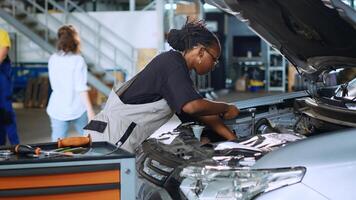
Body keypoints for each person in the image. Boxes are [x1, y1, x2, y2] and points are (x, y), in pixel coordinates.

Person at [84, 20, 239, 153]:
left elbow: (201, 113)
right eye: (214, 59)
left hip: (112, 136)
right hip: (111, 139)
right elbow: (193, 107)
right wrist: (226, 108)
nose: (214, 65)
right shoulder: (172, 64)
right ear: (200, 52)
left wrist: (233, 139)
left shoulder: (176, 68)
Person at [47, 25, 95, 142]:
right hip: (77, 108)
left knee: (57, 145)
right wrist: (90, 111)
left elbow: (54, 84)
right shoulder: (78, 60)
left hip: (57, 108)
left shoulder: (53, 59)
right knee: (89, 140)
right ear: (75, 41)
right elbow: (80, 88)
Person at [0, 28, 20, 145]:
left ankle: (15, 146)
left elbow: (1, 56)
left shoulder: (2, 34)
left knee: (6, 113)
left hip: (2, 77)